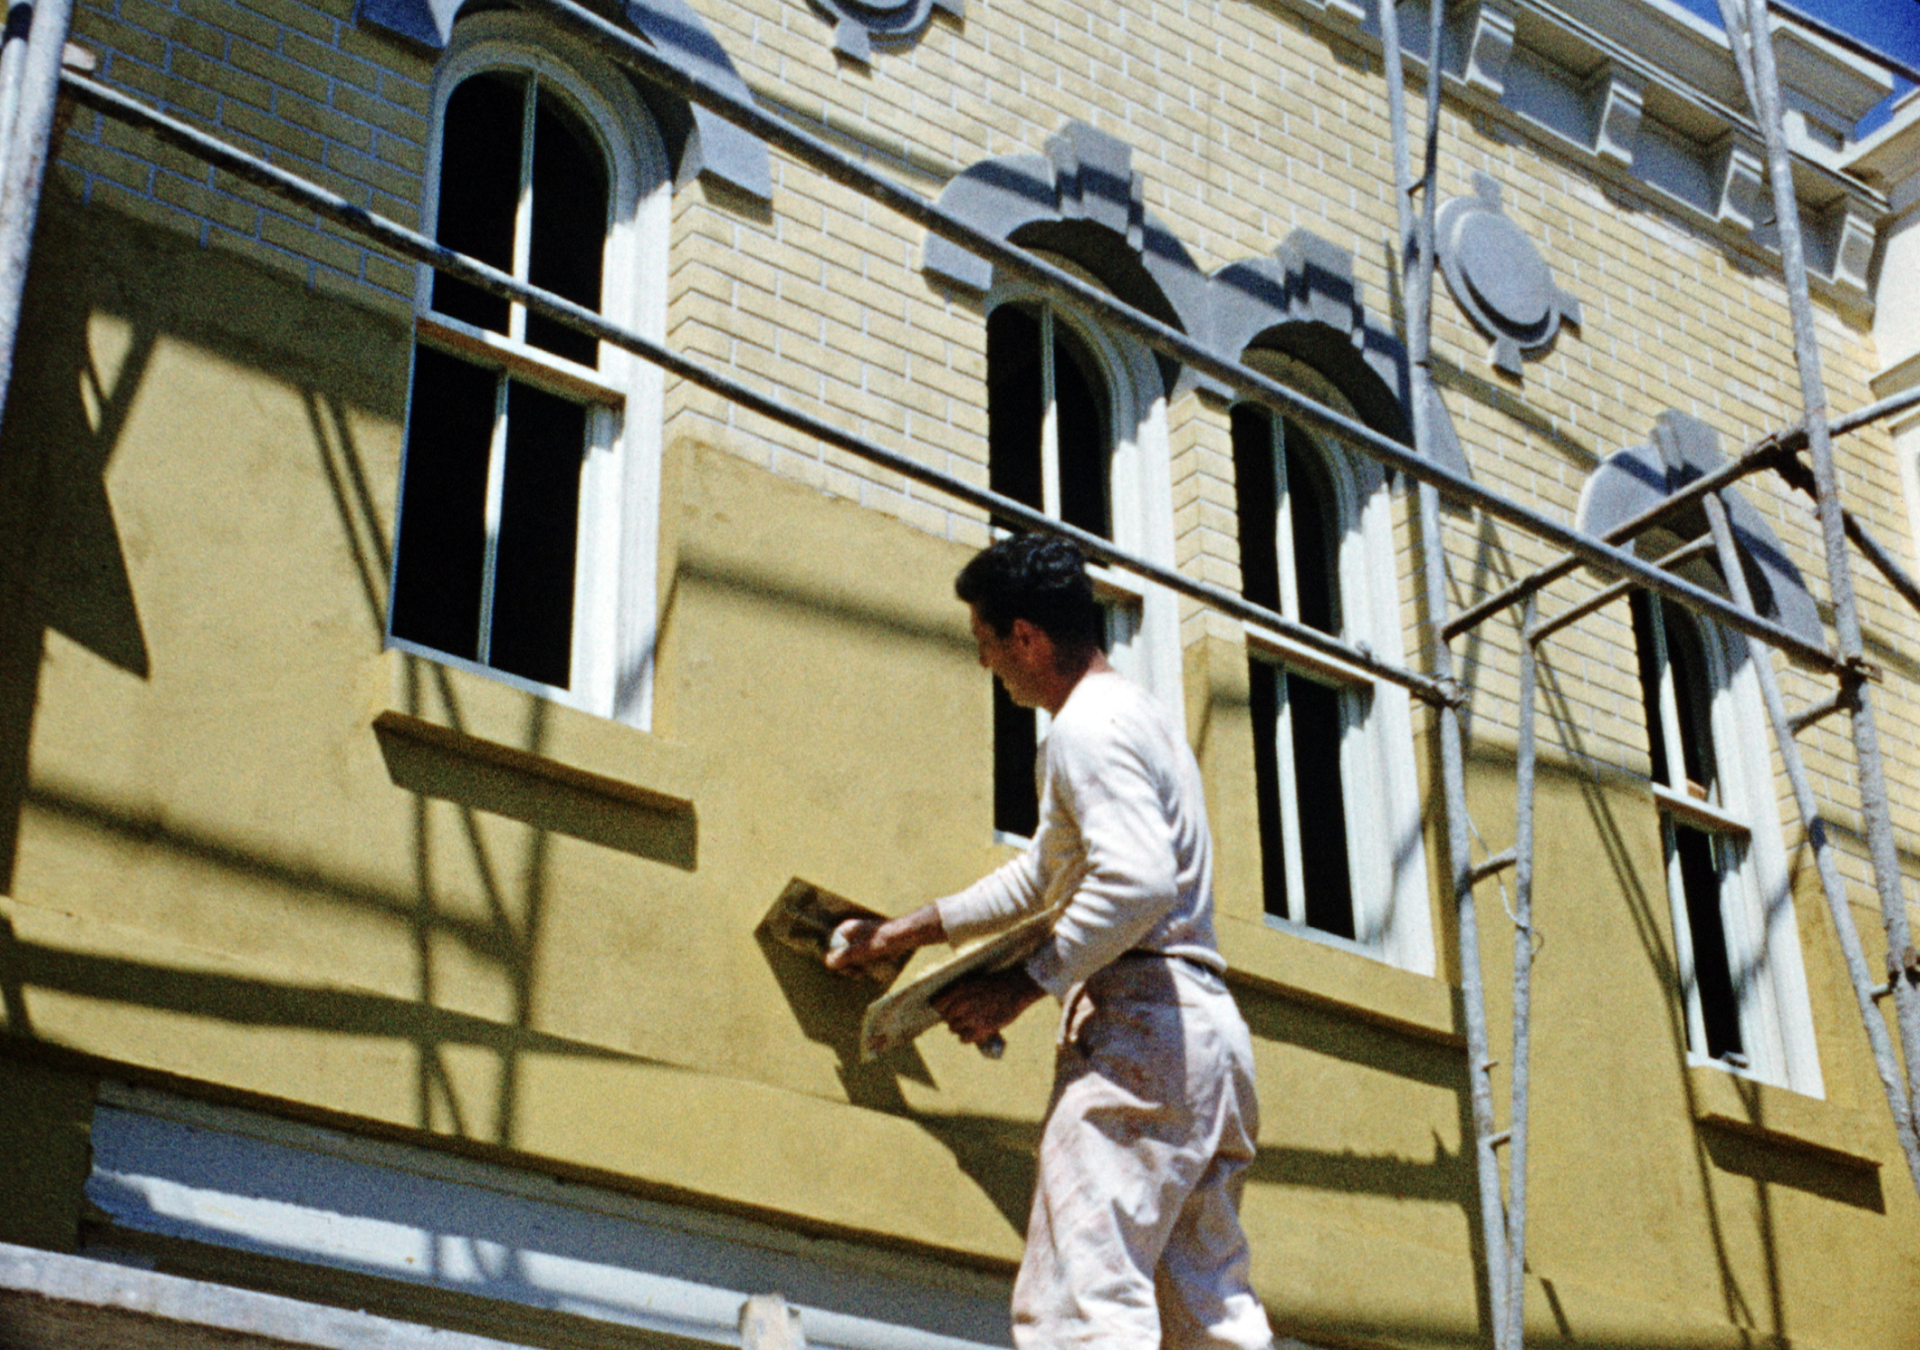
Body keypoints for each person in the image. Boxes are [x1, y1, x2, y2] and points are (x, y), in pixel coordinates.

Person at [828, 532, 1274, 1350]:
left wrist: (1024, 985)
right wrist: (904, 933)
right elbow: (1045, 877)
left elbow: (1136, 884)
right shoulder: (1139, 720)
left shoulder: (1085, 731)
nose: (986, 666)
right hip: (1208, 1039)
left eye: (986, 644)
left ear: (1025, 636)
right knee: (1203, 1314)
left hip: (1141, 1030)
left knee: (1082, 1302)